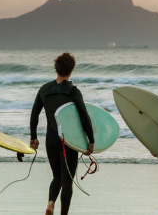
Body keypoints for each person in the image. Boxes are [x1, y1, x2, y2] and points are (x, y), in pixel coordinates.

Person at [29, 52, 95, 215]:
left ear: (56, 69)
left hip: (51, 140)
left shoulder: (44, 89)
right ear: (71, 70)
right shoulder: (72, 91)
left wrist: (33, 137)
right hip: (68, 141)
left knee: (56, 177)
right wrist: (91, 140)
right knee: (67, 181)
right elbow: (84, 116)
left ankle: (51, 203)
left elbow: (34, 114)